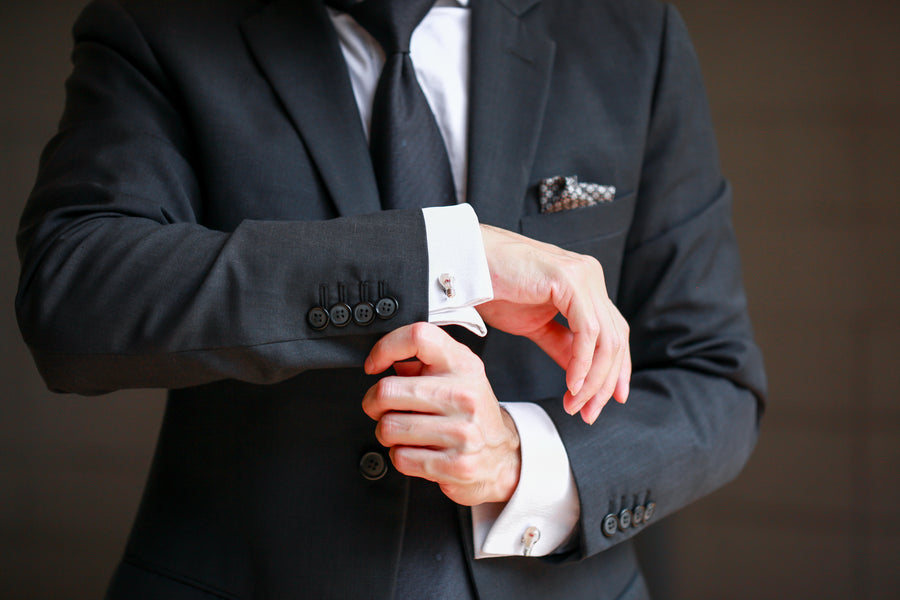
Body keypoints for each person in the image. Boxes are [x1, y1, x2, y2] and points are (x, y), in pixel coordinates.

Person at [16, 0, 766, 598]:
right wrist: (446, 258)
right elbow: (74, 292)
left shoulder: (629, 32)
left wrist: (519, 463)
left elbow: (715, 379)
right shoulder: (159, 20)